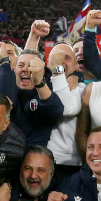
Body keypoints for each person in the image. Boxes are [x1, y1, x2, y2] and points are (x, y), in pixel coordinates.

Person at [23, 21, 85, 179]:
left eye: (66, 58)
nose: (61, 61)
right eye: (56, 58)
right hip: (37, 160)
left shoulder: (81, 88)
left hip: (69, 164)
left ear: (75, 66)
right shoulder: (40, 85)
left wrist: (59, 70)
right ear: (47, 63)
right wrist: (34, 36)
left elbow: (65, 108)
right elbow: (25, 64)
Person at [0, 49, 64, 147]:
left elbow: (56, 112)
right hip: (2, 151)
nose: (25, 69)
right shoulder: (2, 84)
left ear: (42, 72)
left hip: (33, 153)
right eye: (21, 65)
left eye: (31, 66)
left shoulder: (46, 90)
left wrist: (39, 83)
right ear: (15, 69)